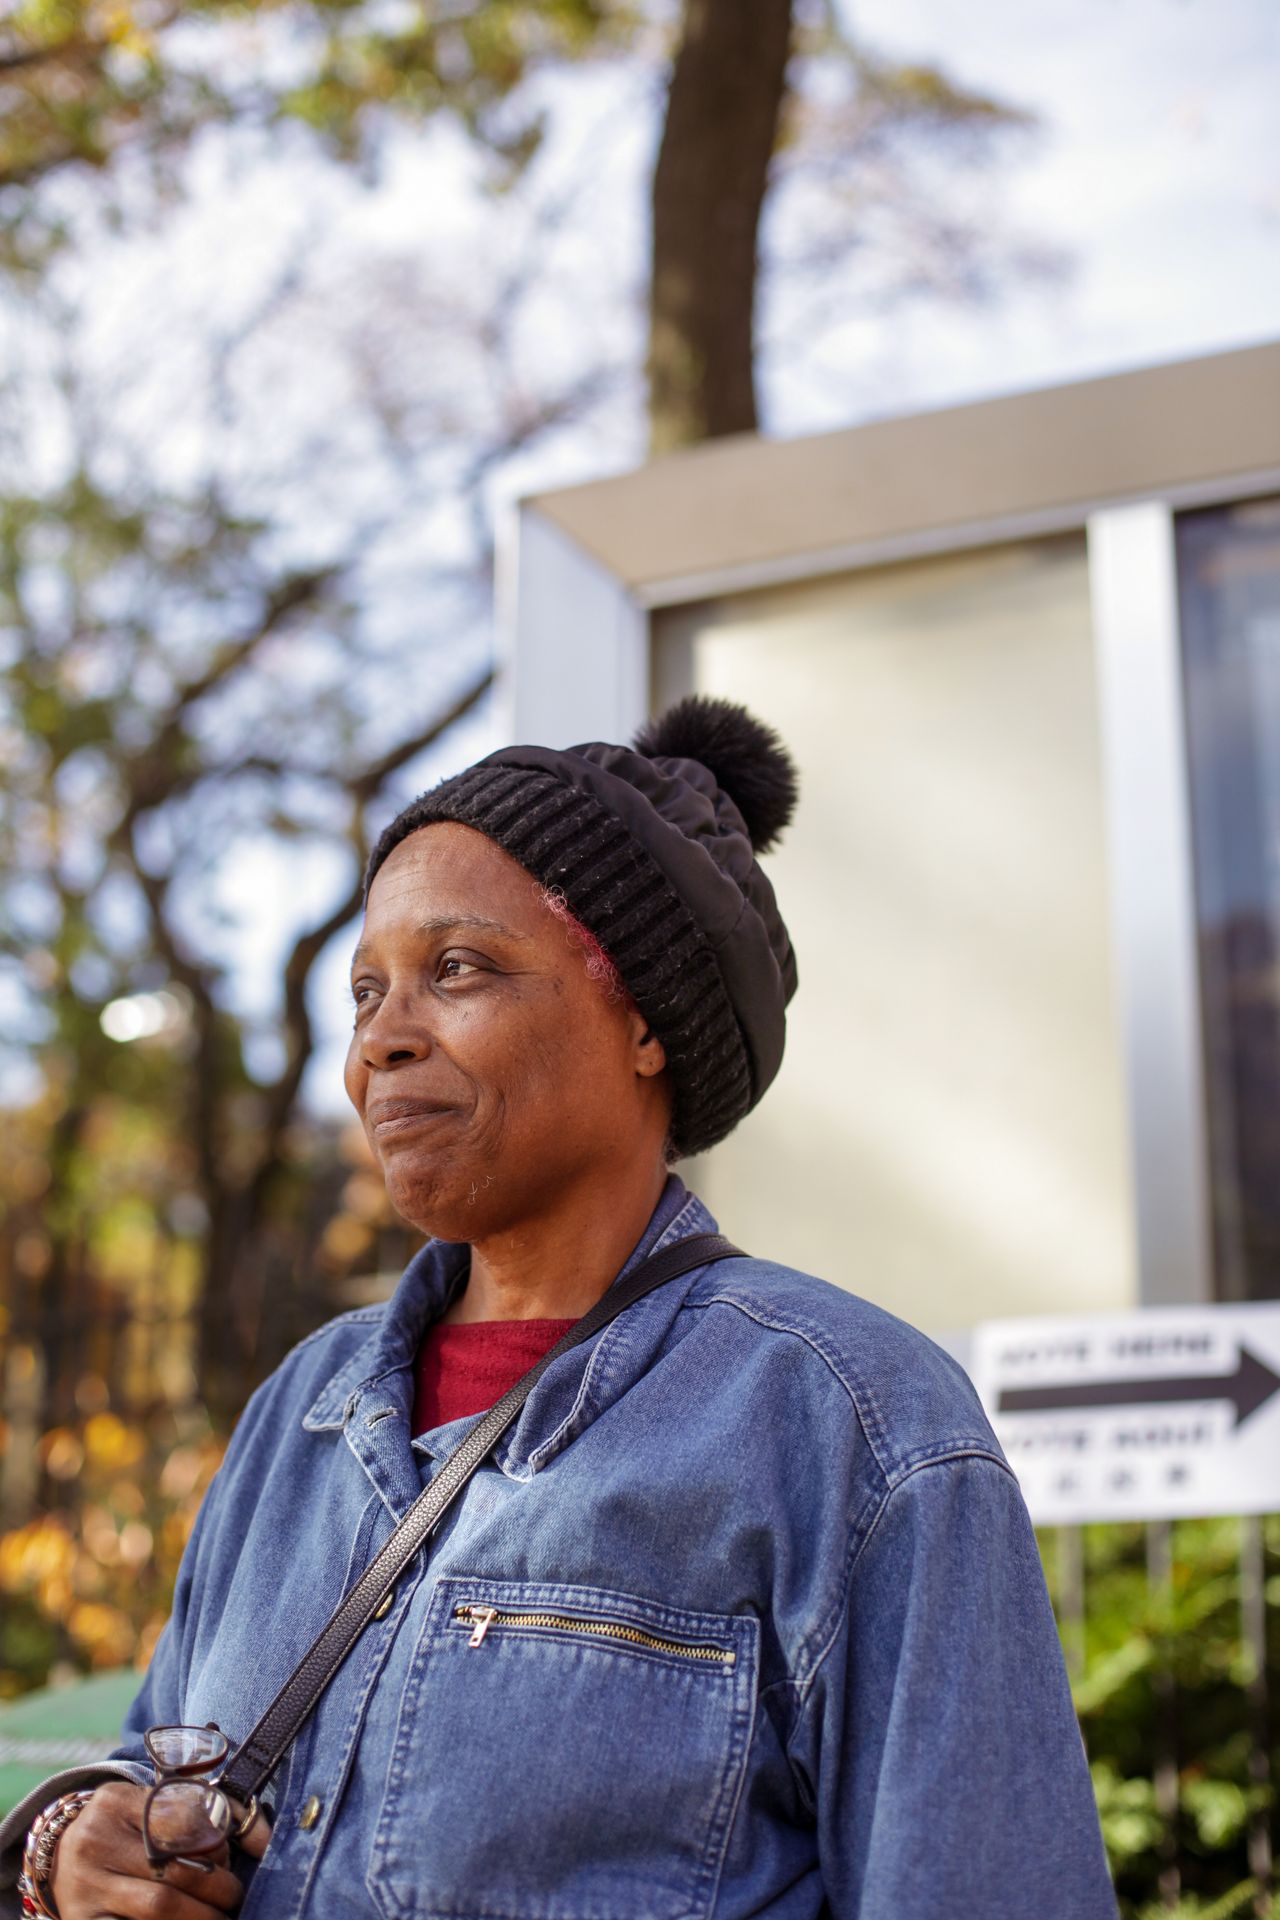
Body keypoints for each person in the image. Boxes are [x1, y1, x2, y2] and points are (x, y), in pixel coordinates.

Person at [2, 697, 1118, 1919]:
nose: (381, 1041)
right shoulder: (296, 1415)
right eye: (366, 993)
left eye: (457, 970)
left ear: (641, 1019)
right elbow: (153, 1759)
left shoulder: (853, 1424)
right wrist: (77, 1845)